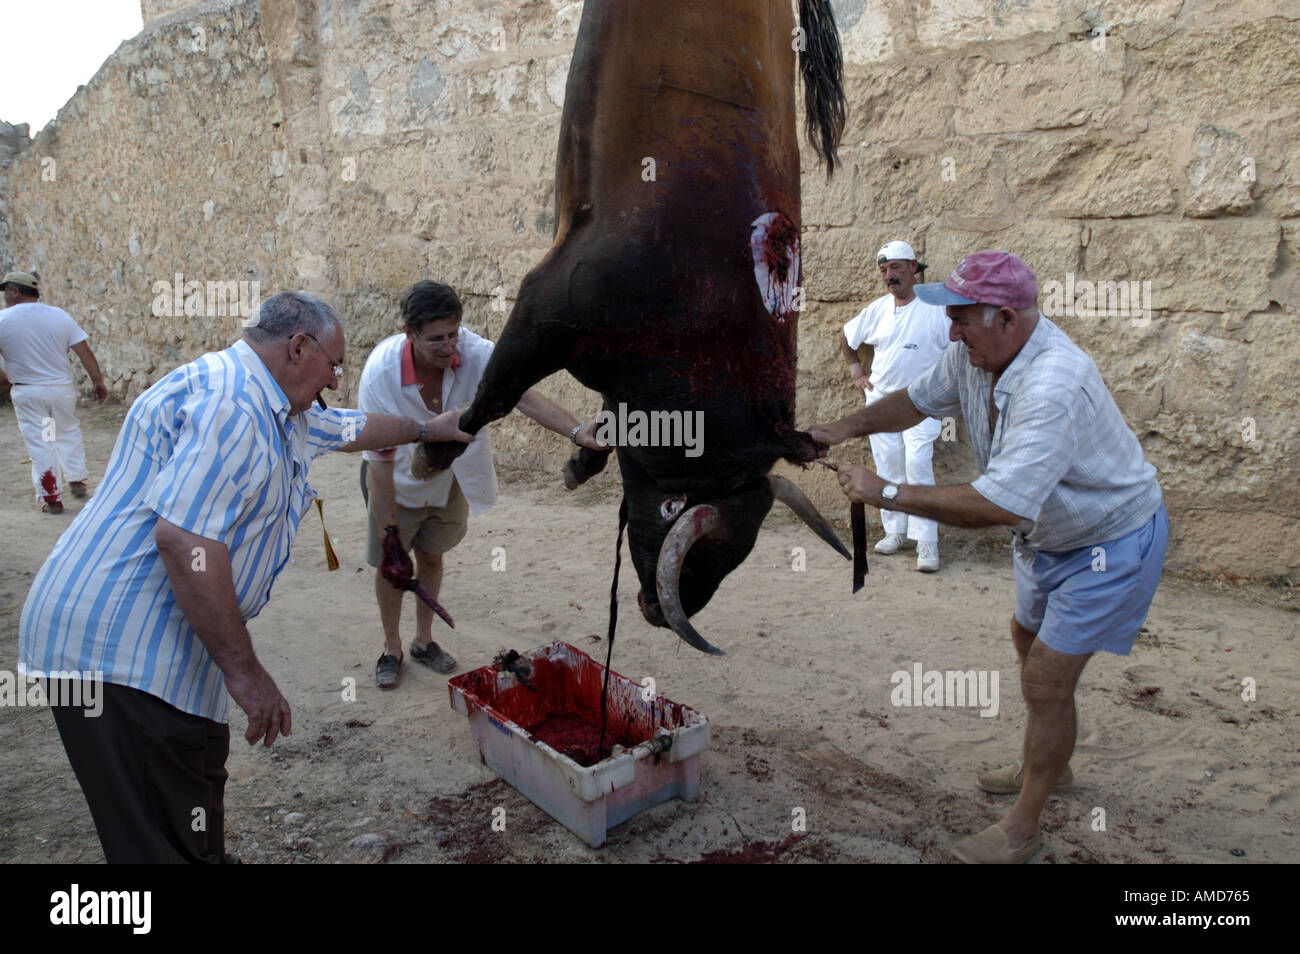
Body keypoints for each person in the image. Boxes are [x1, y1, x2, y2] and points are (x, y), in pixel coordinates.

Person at [17, 291, 472, 863]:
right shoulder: (235, 407)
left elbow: (350, 426)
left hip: (161, 652)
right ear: (297, 346)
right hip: (118, 656)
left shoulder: (274, 398)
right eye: (333, 364)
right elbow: (185, 543)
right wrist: (247, 673)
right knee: (154, 842)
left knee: (196, 780)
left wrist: (428, 429)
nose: (336, 380)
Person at [810, 251, 1168, 864]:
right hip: (1046, 537)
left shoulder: (1052, 382)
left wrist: (887, 493)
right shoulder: (975, 351)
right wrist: (838, 429)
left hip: (1108, 541)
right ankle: (1051, 764)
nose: (951, 332)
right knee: (1026, 642)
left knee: (1046, 679)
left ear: (1005, 317)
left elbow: (1000, 502)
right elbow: (914, 401)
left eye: (963, 319)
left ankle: (1023, 825)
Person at [358, 280, 605, 687]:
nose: (448, 346)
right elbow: (379, 463)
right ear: (409, 334)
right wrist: (389, 541)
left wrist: (578, 432)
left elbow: (522, 396)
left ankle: (423, 641)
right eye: (435, 338)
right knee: (392, 569)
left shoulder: (476, 353)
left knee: (432, 557)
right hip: (394, 482)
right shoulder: (381, 373)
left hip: (449, 477)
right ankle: (391, 648)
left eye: (453, 334)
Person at [839, 241, 951, 571]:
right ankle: (895, 531)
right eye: (884, 271)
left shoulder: (935, 309)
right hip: (881, 403)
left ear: (914, 267)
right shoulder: (878, 309)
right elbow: (847, 337)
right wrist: (856, 369)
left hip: (921, 403)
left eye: (897, 268)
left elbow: (956, 348)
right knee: (888, 468)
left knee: (918, 467)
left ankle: (927, 543)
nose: (890, 276)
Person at [0, 270, 108, 513]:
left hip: (28, 391)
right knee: (66, 432)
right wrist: (97, 380)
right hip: (60, 389)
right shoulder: (59, 316)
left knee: (42, 442)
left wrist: (3, 379)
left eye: (6, 290)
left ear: (16, 291)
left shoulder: (3, 320)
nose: (5, 296)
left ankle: (51, 496)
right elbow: (83, 350)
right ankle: (77, 479)